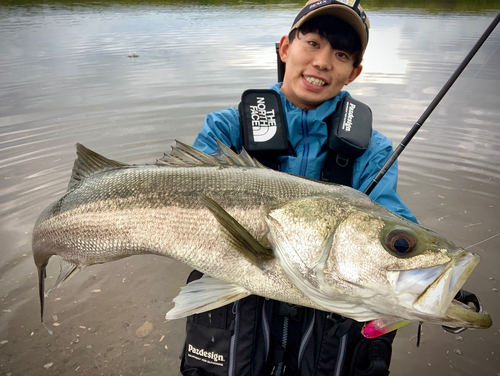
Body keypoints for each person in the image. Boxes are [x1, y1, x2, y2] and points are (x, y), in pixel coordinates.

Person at [179, 1, 417, 375]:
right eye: (312, 43)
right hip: (241, 317)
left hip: (323, 331)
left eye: (340, 54)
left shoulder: (373, 150)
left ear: (353, 72)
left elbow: (392, 222)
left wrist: (421, 278)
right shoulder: (227, 128)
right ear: (285, 48)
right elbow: (182, 194)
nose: (323, 62)